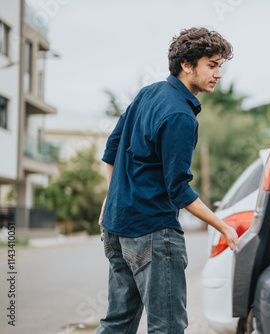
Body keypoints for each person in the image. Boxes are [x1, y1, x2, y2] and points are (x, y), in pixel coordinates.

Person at [96, 27, 239, 334]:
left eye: (219, 67)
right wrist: (224, 226)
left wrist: (111, 200)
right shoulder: (180, 116)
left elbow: (110, 150)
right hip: (152, 233)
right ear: (187, 65)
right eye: (212, 65)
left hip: (115, 228)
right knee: (167, 327)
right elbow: (178, 190)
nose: (218, 74)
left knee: (117, 323)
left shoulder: (148, 93)